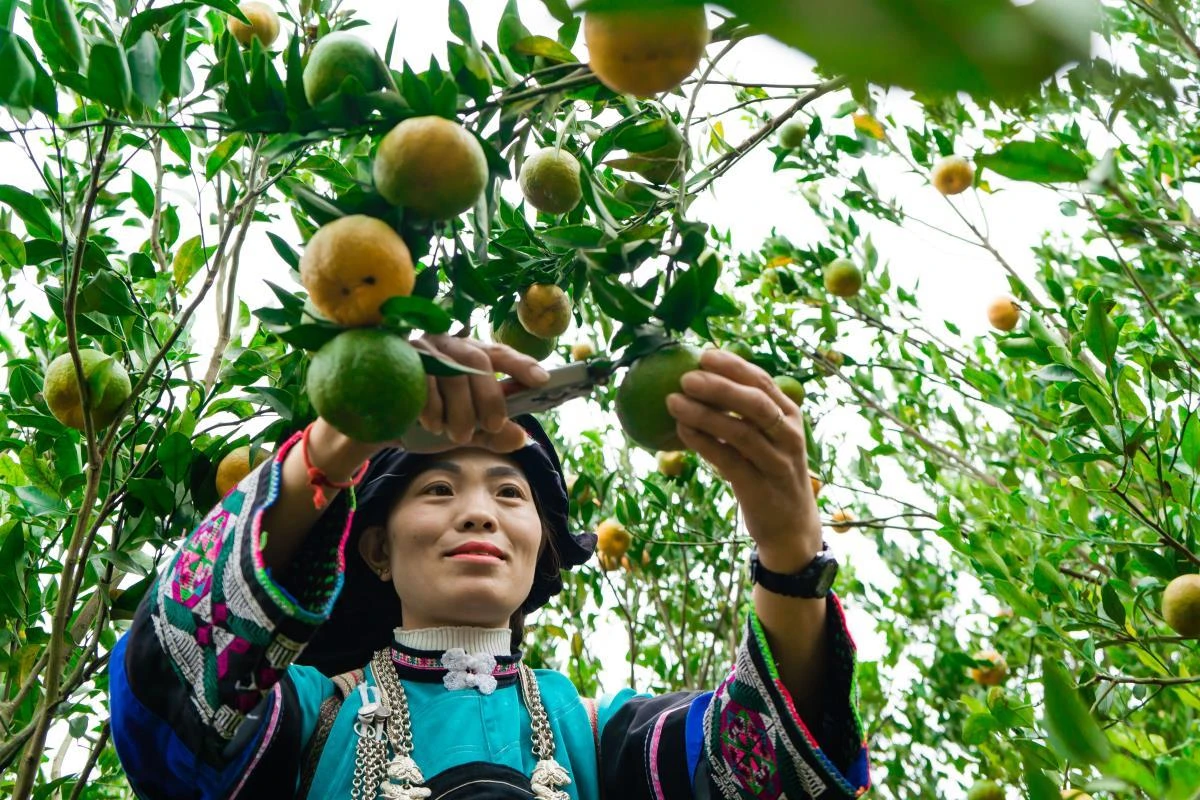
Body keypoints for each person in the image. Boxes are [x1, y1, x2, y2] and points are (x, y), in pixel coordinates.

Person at [108, 334, 871, 799]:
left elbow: (767, 774)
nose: (478, 512)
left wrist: (789, 554)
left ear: (539, 544)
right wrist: (343, 436)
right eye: (439, 488)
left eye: (510, 493)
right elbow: (166, 694)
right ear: (375, 546)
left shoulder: (598, 738)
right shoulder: (314, 716)